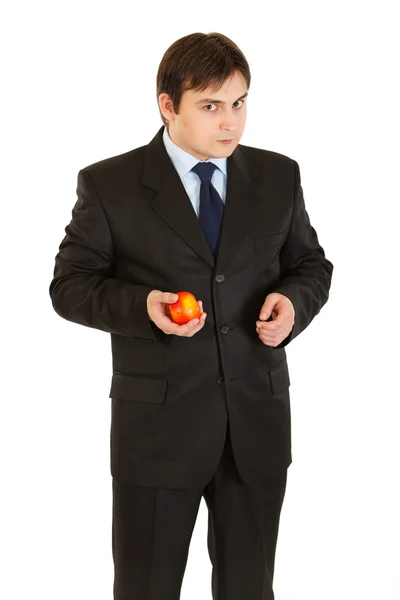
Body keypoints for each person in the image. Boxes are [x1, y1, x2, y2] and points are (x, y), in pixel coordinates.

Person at [49, 31, 333, 600]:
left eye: (240, 103)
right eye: (210, 106)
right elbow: (69, 287)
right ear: (167, 106)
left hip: (255, 426)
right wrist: (143, 307)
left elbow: (310, 265)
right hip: (157, 434)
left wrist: (293, 305)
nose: (230, 122)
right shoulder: (109, 185)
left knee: (250, 591)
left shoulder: (279, 176)